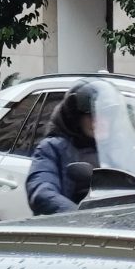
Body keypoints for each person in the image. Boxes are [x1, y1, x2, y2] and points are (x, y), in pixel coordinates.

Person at [26, 80, 101, 215]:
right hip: (72, 224)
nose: (98, 121)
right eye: (90, 115)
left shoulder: (115, 148)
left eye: (103, 114)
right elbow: (41, 191)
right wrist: (79, 215)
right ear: (75, 117)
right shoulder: (51, 148)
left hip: (118, 221)